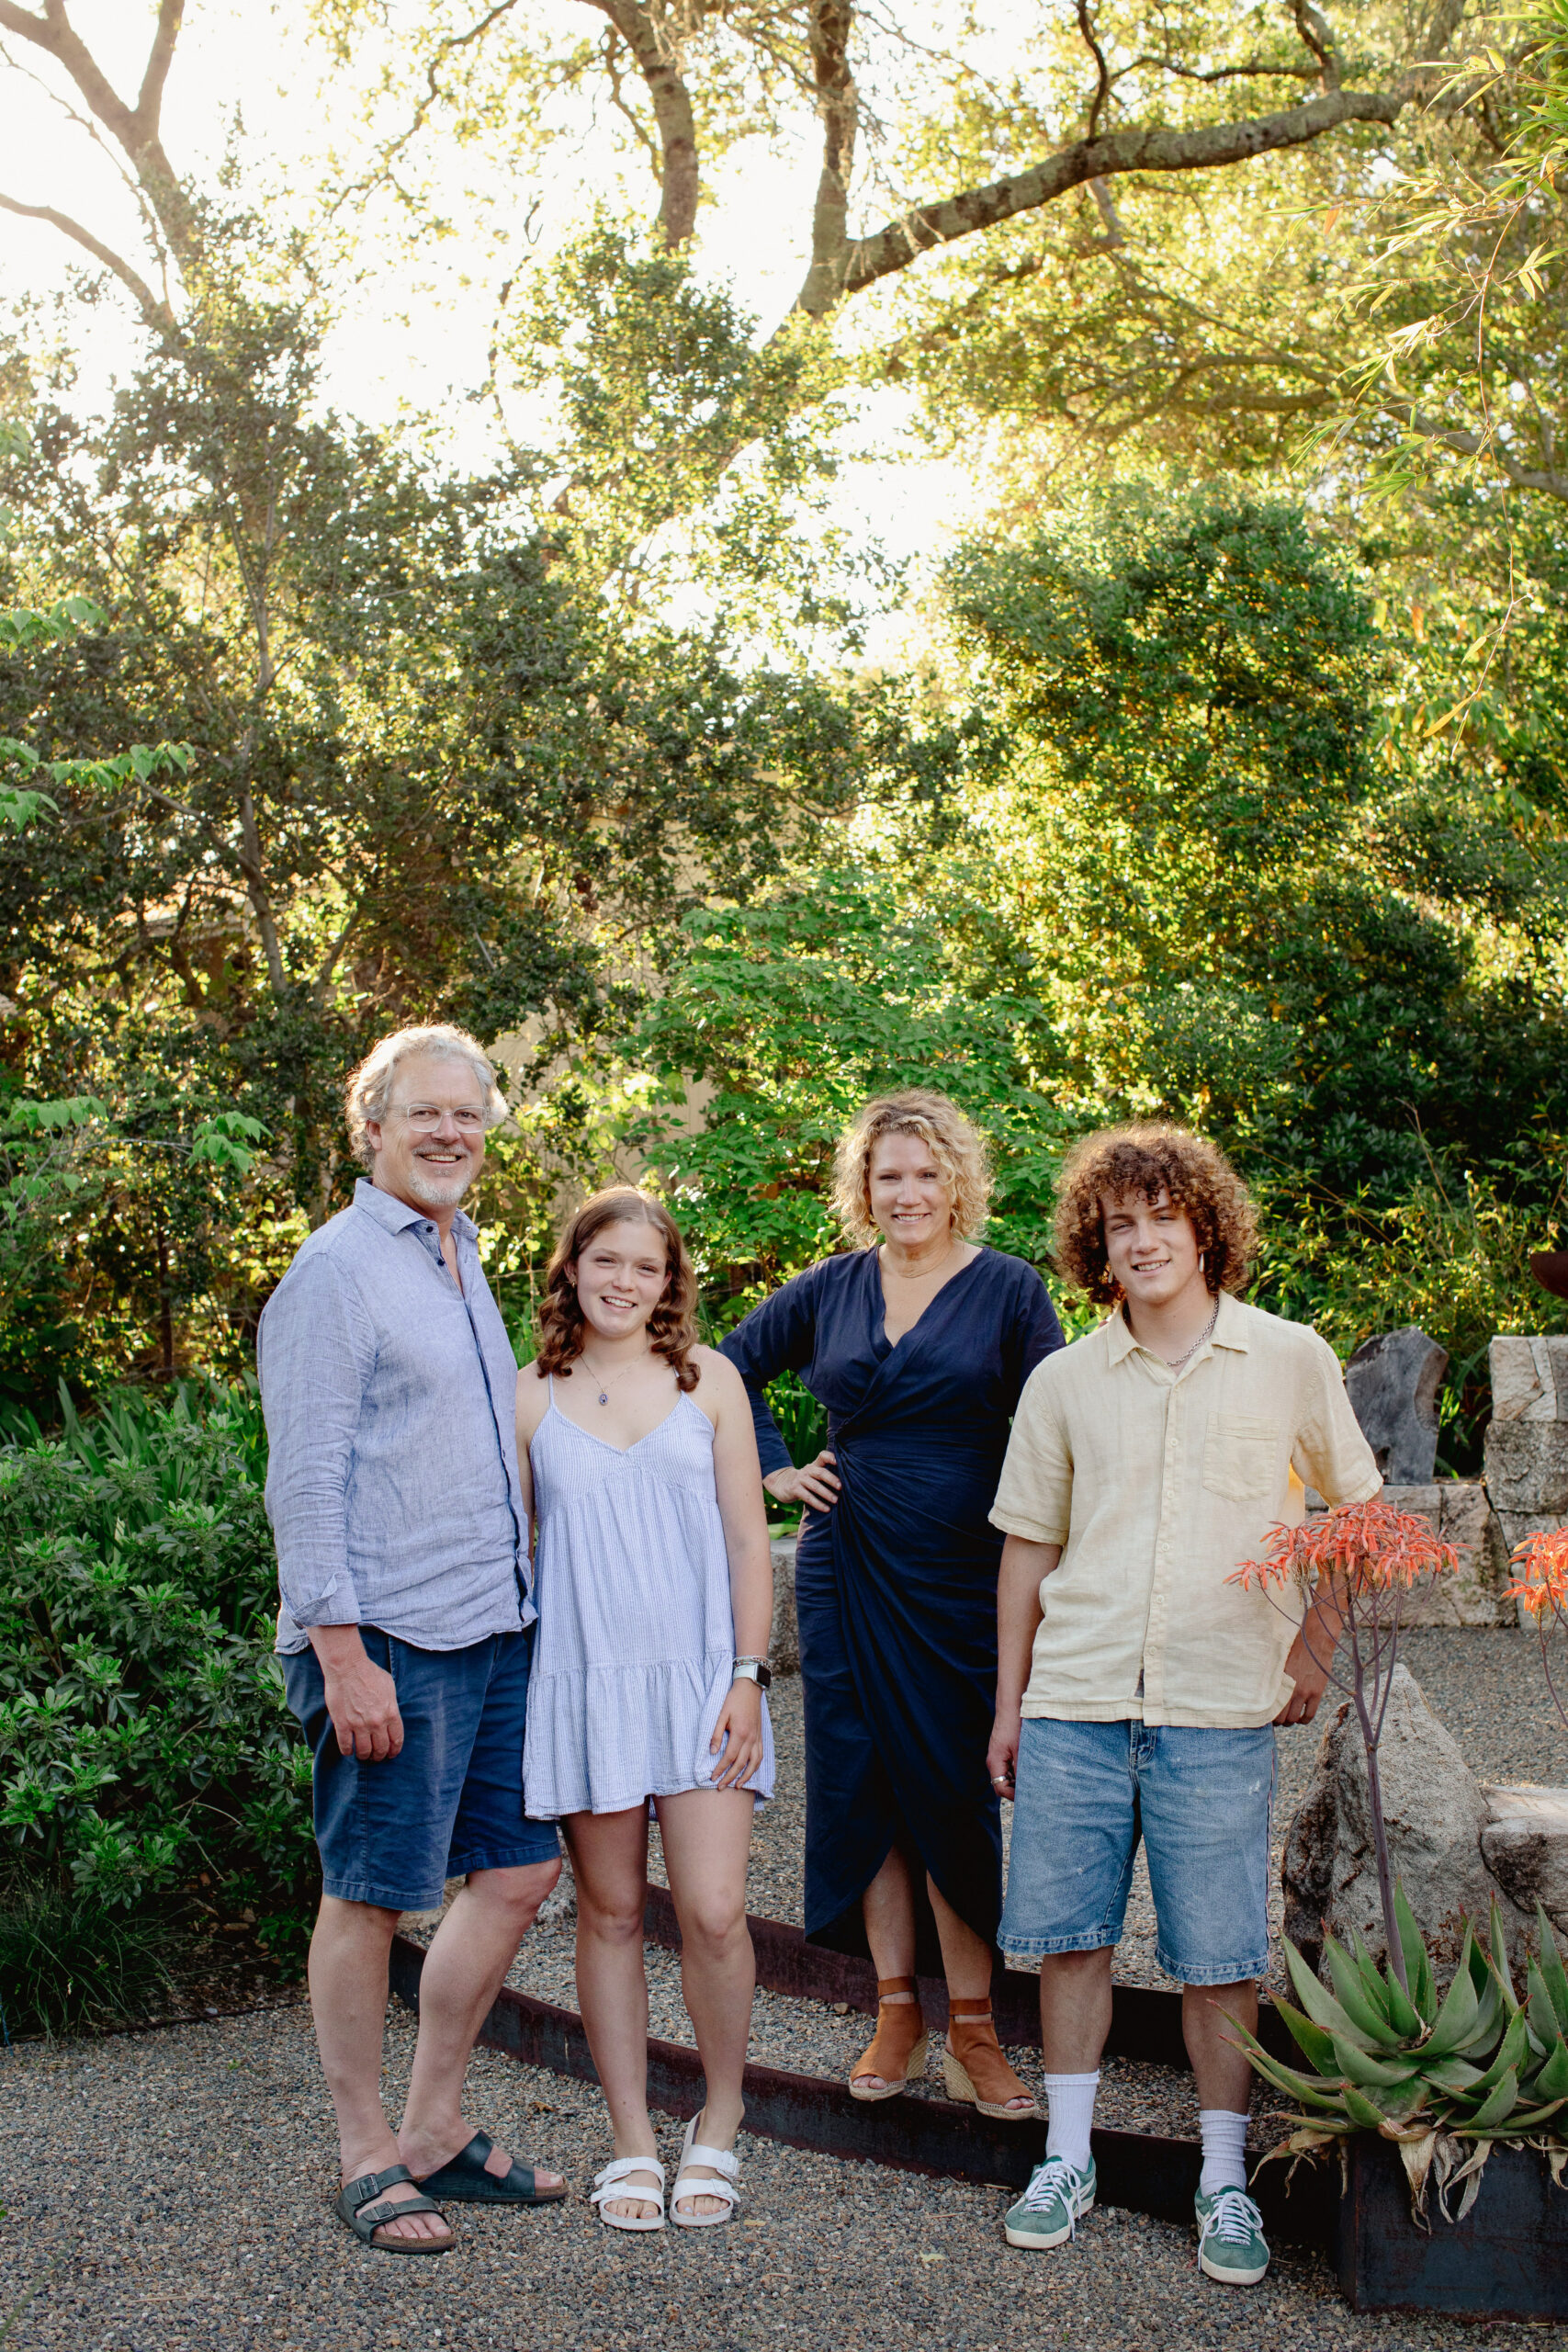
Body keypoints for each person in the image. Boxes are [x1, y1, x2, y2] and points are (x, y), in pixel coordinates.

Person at [987, 1123, 1381, 2284]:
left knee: (1219, 1954)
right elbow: (1025, 1554)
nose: (1144, 1239)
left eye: (1165, 1216)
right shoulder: (1063, 1378)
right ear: (1095, 1246)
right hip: (1077, 1700)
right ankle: (1066, 2156)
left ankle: (1222, 2176)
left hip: (1220, 1707)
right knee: (1070, 1940)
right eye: (1121, 1224)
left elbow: (1358, 1521)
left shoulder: (1291, 1356)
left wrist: (1313, 1648)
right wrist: (1010, 1705)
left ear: (1207, 1228)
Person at [259, 1023, 565, 2257]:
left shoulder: (456, 1253)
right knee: (371, 1896)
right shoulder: (337, 1272)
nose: (450, 1134)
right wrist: (340, 1655)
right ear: (371, 1129)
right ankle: (362, 2152)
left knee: (516, 1871)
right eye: (425, 1113)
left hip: (492, 1628)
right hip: (386, 1638)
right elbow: (306, 1479)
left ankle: (435, 2124)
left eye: (469, 1116)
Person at [722, 1090, 1063, 2119]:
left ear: (958, 1179)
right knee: (866, 1782)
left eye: (924, 1173)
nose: (907, 1192)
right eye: (888, 1176)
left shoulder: (1009, 1289)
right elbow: (724, 1368)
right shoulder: (829, 1287)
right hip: (845, 1561)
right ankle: (894, 2013)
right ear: (862, 1189)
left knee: (955, 1786)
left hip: (962, 1567)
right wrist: (774, 1472)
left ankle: (975, 2025)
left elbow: (1058, 1418)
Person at [517, 1187, 774, 2232]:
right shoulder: (529, 1393)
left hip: (703, 1681)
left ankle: (719, 2119)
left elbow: (750, 1541)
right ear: (572, 1266)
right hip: (584, 1685)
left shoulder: (707, 1379)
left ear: (671, 1282)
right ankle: (631, 2140)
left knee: (713, 1910)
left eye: (647, 1266)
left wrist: (749, 1675)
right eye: (606, 1260)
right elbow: (519, 1555)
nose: (625, 1281)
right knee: (611, 1912)